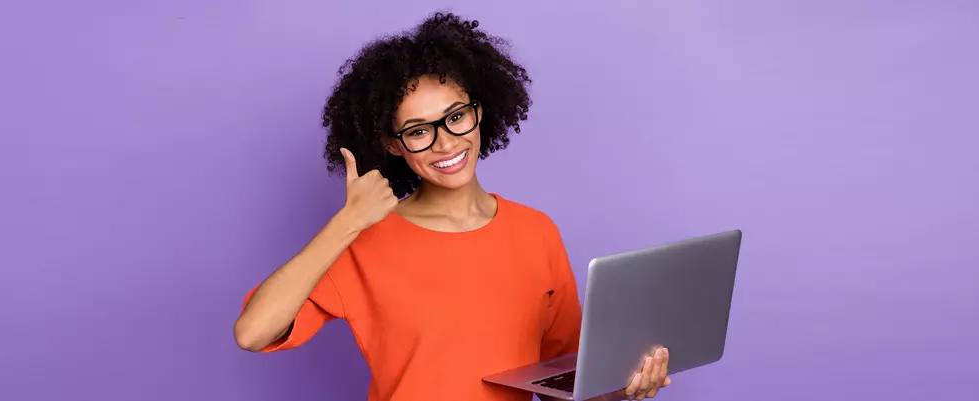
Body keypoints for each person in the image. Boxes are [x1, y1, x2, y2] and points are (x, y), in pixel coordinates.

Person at [233, 12, 671, 401]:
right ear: (391, 144)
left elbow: (564, 385)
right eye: (418, 130)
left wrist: (625, 391)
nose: (445, 142)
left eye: (456, 116)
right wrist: (347, 222)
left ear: (479, 112)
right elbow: (253, 333)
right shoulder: (362, 238)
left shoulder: (537, 232)